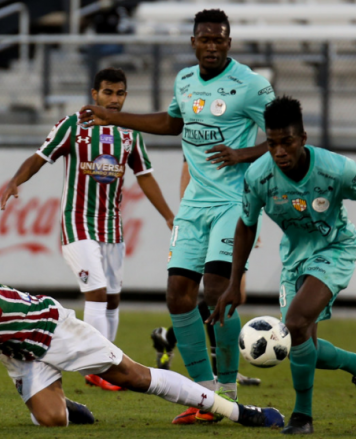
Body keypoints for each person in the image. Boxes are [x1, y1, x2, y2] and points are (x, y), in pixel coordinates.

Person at [79, 9, 276, 424]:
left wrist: (243, 153)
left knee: (217, 293)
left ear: (229, 41)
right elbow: (172, 122)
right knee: (177, 297)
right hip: (194, 205)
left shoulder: (251, 85)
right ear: (193, 42)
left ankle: (227, 390)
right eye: (204, 39)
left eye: (219, 39)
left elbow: (285, 133)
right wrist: (114, 117)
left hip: (231, 204)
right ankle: (205, 397)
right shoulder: (185, 80)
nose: (211, 45)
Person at [0, 247, 285, 430]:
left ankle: (235, 411)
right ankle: (65, 404)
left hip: (53, 331)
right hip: (18, 351)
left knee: (134, 377)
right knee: (51, 421)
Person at [207, 96, 356, 435]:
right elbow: (246, 225)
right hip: (295, 257)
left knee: (293, 323)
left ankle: (302, 417)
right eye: (272, 143)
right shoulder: (258, 175)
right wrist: (234, 283)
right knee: (300, 343)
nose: (279, 151)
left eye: (287, 142)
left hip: (335, 248)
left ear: (303, 139)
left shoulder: (334, 168)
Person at [1, 67, 175, 391]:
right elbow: (40, 157)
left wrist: (168, 214)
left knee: (111, 300)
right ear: (94, 94)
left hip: (112, 228)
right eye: (107, 92)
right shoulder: (72, 126)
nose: (114, 99)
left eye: (120, 93)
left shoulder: (130, 132)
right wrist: (15, 180)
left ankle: (105, 365)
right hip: (77, 223)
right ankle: (95, 369)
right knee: (95, 292)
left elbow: (145, 175)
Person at [151, 158, 261, 388]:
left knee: (234, 295)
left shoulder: (241, 132)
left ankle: (170, 338)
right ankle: (219, 373)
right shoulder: (201, 129)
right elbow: (187, 169)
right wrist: (191, 219)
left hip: (235, 210)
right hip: (207, 216)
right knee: (221, 292)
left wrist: (250, 222)